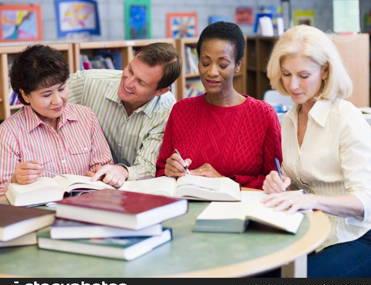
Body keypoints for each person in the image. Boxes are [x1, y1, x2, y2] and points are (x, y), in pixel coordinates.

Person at [263, 25, 371, 277]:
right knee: (254, 273)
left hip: (356, 235)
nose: (293, 85)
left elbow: (366, 201)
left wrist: (310, 200)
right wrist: (279, 186)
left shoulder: (346, 118)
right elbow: (301, 186)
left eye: (303, 75)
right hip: (310, 229)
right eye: (287, 74)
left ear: (324, 71)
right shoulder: (288, 120)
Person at [156, 22, 282, 188]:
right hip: (189, 207)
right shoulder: (181, 110)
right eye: (205, 63)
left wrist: (224, 182)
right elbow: (160, 171)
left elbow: (274, 180)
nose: (212, 72)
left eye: (222, 65)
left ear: (238, 65)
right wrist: (170, 170)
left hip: (242, 208)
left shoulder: (263, 115)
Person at [0, 45, 113, 194]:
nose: (57, 101)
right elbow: (1, 191)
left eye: (61, 89)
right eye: (46, 95)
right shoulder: (9, 132)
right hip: (41, 211)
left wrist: (101, 173)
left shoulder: (86, 117)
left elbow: (105, 165)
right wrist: (15, 180)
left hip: (88, 205)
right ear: (26, 95)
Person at [67, 42, 181, 187]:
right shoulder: (87, 83)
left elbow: (148, 166)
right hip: (84, 180)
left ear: (160, 91)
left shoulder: (167, 110)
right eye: (130, 70)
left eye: (141, 82)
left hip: (134, 189)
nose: (128, 83)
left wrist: (122, 171)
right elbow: (41, 101)